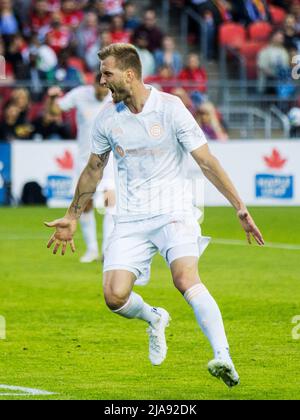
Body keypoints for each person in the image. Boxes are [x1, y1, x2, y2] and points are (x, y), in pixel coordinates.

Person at [45, 43, 264, 387]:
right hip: (130, 218)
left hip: (174, 210)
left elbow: (206, 161)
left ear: (129, 74)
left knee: (184, 279)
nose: (102, 81)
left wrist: (240, 206)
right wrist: (72, 216)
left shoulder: (171, 109)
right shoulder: (107, 119)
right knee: (114, 296)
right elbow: (93, 169)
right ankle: (155, 318)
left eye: (107, 74)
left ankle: (223, 356)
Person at [47, 74, 115, 263]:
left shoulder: (116, 96)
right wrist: (52, 97)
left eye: (106, 86)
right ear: (94, 83)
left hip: (110, 162)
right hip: (85, 161)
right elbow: (54, 110)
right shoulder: (79, 94)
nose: (104, 90)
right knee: (85, 204)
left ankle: (107, 250)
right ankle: (92, 249)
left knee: (111, 204)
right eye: (101, 86)